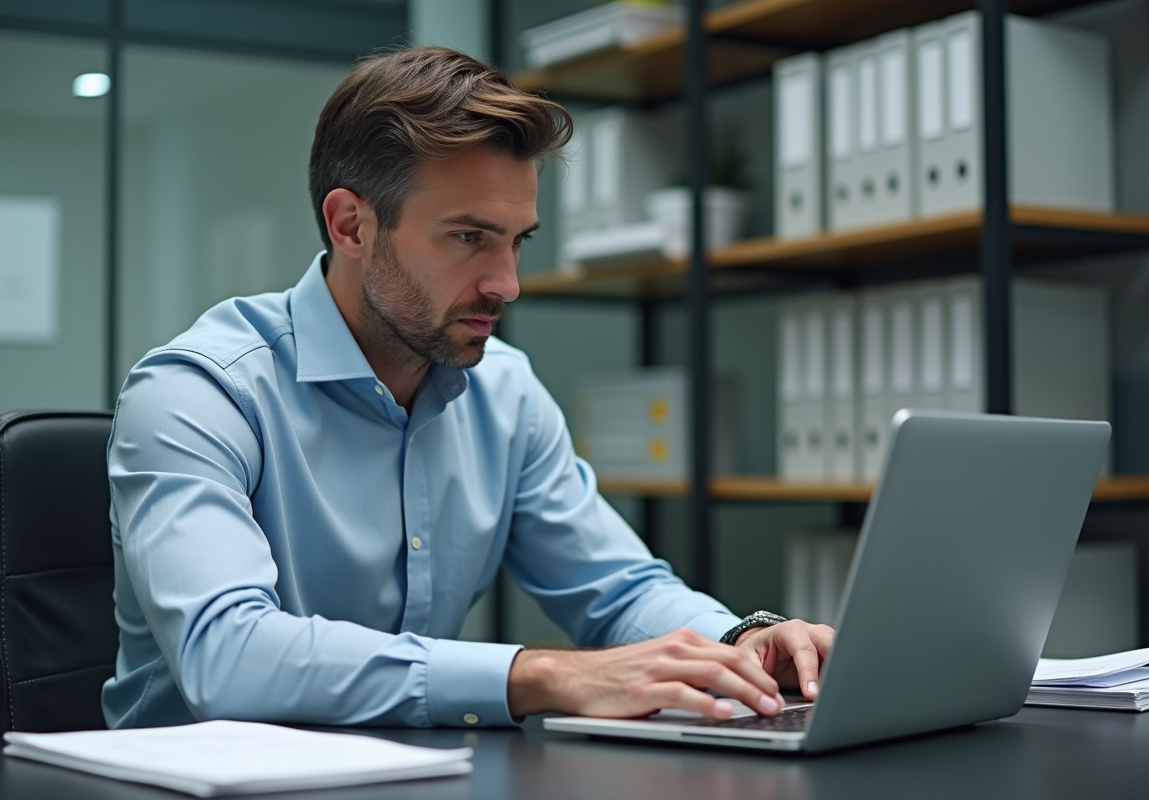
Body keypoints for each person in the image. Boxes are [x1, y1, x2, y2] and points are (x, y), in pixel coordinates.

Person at [103, 45, 833, 730]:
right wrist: (535, 675)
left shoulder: (503, 393)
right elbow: (227, 655)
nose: (507, 284)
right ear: (351, 224)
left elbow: (618, 588)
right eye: (467, 237)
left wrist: (738, 642)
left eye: (518, 241)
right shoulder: (197, 394)